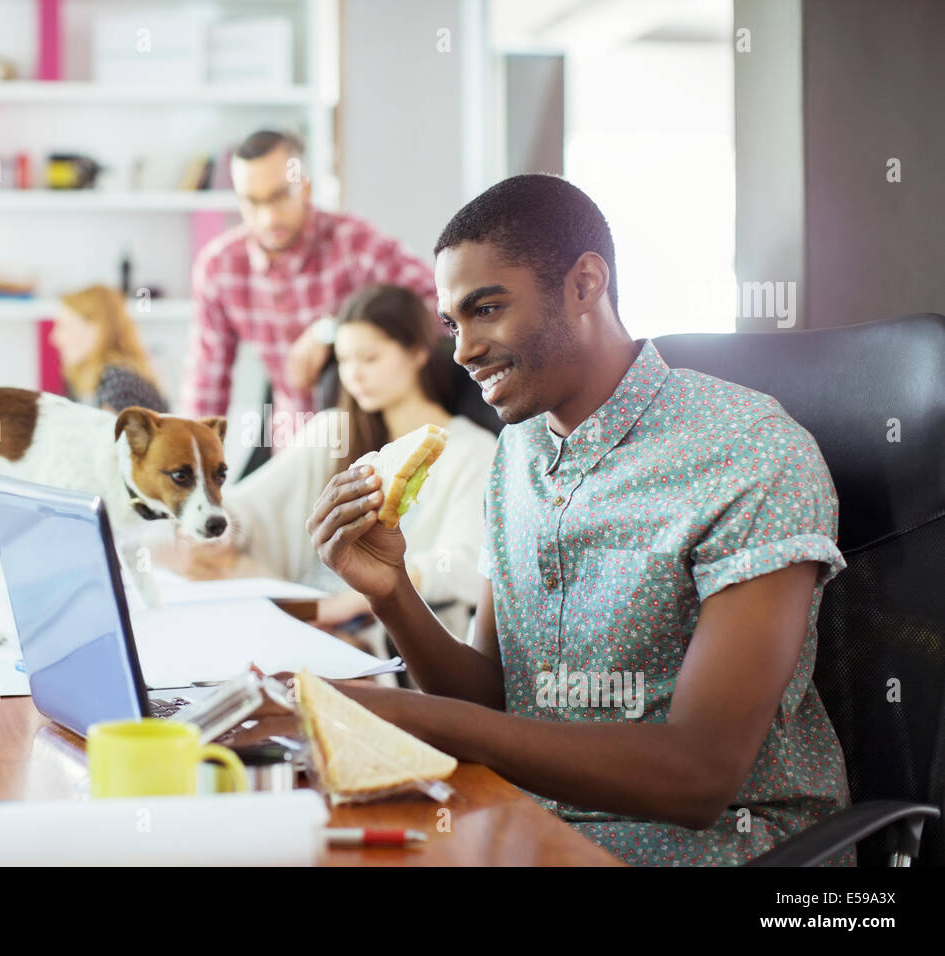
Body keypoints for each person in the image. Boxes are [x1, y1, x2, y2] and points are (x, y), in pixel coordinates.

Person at [299, 174, 854, 866]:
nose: (463, 350)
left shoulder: (749, 452)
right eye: (453, 324)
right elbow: (502, 702)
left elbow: (700, 775)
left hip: (716, 844)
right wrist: (392, 594)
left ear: (585, 284)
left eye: (488, 309)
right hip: (533, 825)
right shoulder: (520, 452)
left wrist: (408, 717)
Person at [222, 284, 496, 643]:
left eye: (369, 359)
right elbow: (252, 504)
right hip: (311, 611)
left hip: (380, 634)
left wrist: (352, 602)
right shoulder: (336, 428)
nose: (354, 375)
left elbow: (465, 566)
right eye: (345, 361)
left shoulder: (471, 450)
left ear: (416, 353)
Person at [180, 129, 435, 455]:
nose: (268, 217)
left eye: (280, 196)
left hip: (374, 439)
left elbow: (437, 307)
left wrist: (331, 328)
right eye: (253, 202)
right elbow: (206, 383)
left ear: (306, 186)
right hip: (292, 444)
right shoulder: (219, 267)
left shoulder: (354, 242)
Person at [49, 284, 168, 414]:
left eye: (65, 325)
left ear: (97, 328)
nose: (54, 338)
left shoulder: (119, 382)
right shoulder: (86, 378)